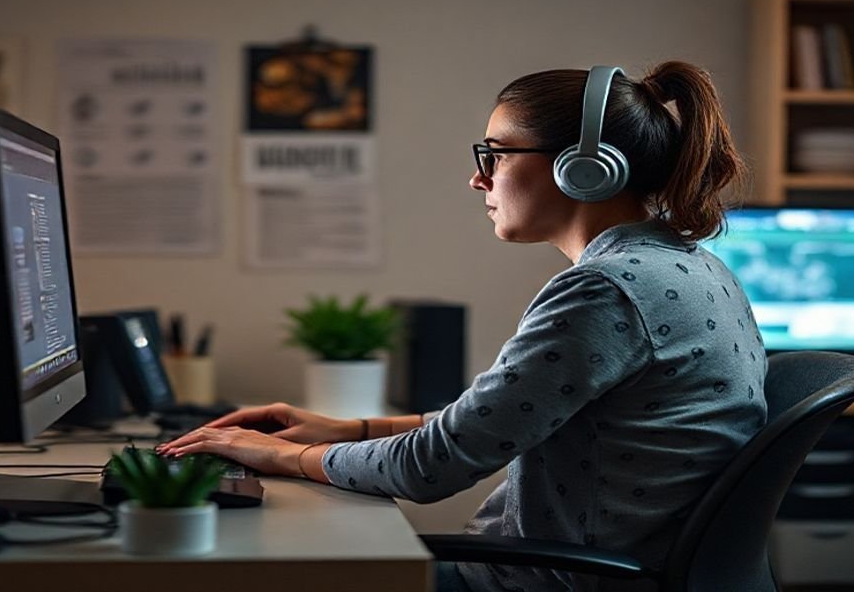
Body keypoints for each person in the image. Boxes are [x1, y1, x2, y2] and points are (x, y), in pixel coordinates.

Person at [159, 61, 767, 592]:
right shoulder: (694, 268)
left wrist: (278, 456)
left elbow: (430, 469)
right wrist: (351, 428)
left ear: (584, 169)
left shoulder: (603, 290)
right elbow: (504, 423)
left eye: (495, 154)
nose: (479, 178)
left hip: (552, 584)